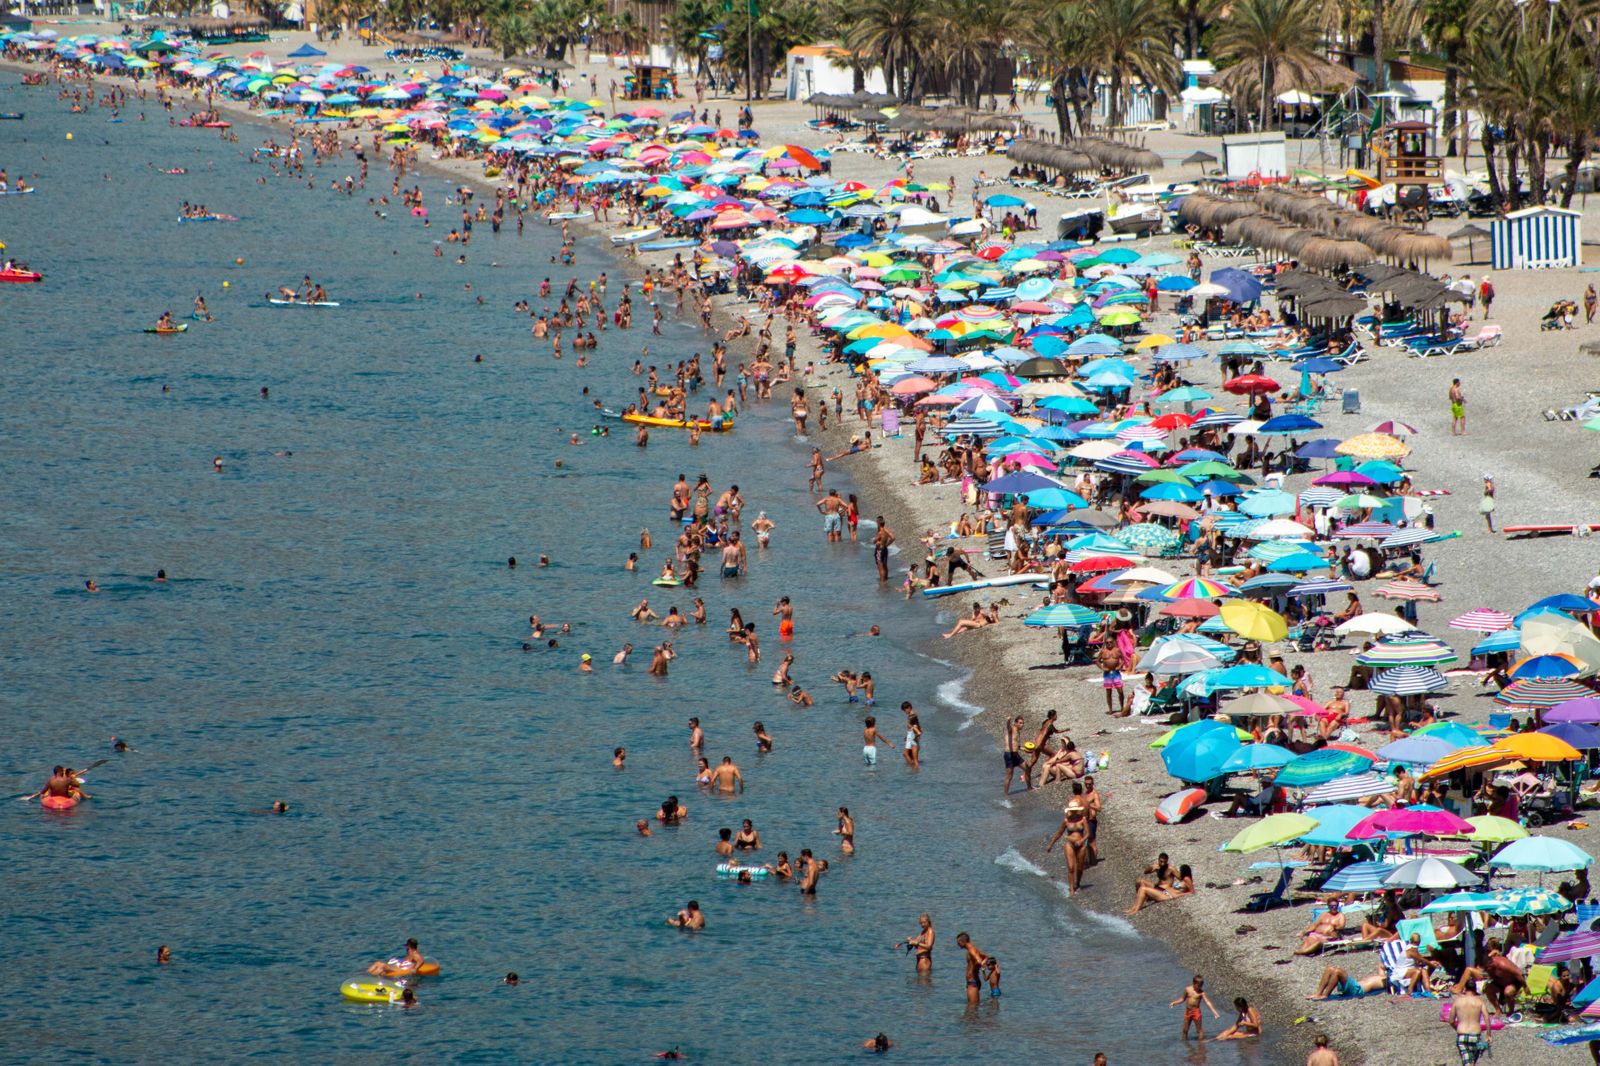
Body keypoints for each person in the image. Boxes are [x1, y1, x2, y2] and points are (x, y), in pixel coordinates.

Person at [1449, 985, 1491, 1065]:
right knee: (1472, 1062)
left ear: (1465, 989)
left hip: (1462, 1034)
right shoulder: (1479, 1002)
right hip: (1475, 1035)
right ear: (1475, 989)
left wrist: (1457, 1028)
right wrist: (1488, 1035)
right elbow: (1487, 1018)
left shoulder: (1457, 1001)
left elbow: (1451, 1021)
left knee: (1468, 1062)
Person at [1171, 975, 1220, 1040]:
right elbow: (1182, 999)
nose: (1200, 987)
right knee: (1185, 1030)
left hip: (1196, 1012)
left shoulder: (1201, 993)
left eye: (1201, 986)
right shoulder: (1187, 989)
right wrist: (1174, 1003)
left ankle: (1201, 1043)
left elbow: (1207, 1002)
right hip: (1188, 1011)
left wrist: (1215, 1013)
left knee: (1199, 1030)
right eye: (1198, 986)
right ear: (1194, 983)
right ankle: (1184, 1042)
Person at [956, 932, 990, 1007]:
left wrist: (975, 968)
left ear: (963, 941)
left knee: (972, 1008)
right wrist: (983, 962)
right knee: (973, 1008)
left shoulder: (971, 950)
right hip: (973, 981)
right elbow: (986, 957)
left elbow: (979, 961)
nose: (958, 945)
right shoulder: (973, 948)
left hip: (972, 982)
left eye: (958, 943)